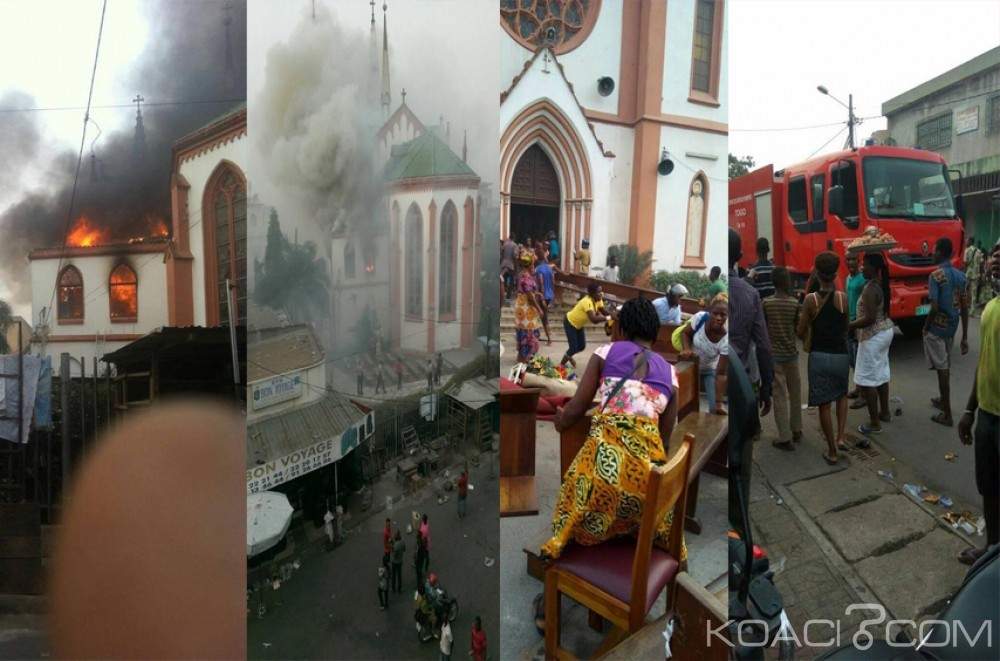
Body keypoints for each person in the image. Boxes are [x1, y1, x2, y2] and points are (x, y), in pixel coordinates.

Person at [544, 297, 682, 561]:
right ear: (654, 333)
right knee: (640, 503)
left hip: (602, 479)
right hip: (648, 488)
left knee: (571, 501)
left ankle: (560, 559)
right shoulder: (671, 375)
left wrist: (562, 422)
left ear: (623, 330)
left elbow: (577, 407)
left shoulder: (606, 353)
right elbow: (662, 441)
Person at [956, 238, 999, 565]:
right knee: (989, 488)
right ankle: (992, 549)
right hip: (986, 415)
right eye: (996, 253)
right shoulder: (992, 307)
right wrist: (970, 410)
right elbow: (985, 361)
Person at [798, 253, 850, 463]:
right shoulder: (843, 298)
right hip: (840, 355)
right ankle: (840, 438)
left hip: (819, 356)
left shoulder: (811, 300)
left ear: (817, 274)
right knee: (842, 394)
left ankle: (831, 451)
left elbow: (801, 331)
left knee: (824, 405)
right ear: (836, 274)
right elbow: (846, 328)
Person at [728, 229, 774, 423]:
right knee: (742, 450)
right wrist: (766, 387)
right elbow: (763, 346)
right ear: (739, 256)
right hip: (741, 384)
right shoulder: (750, 294)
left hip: (712, 386)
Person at [925, 238, 969, 427]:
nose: (932, 253)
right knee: (945, 365)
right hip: (951, 327)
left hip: (937, 328)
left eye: (934, 250)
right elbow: (965, 307)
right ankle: (943, 400)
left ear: (941, 253)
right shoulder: (960, 276)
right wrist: (965, 336)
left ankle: (947, 414)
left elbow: (934, 307)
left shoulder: (935, 275)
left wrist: (926, 326)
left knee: (942, 368)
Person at [850, 253, 895, 435]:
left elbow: (868, 318)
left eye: (864, 265)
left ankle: (874, 423)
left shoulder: (870, 288)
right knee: (881, 374)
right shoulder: (880, 283)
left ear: (872, 267)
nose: (861, 268)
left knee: (868, 380)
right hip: (884, 331)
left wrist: (849, 325)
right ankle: (884, 412)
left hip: (873, 335)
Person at [763, 267, 802, 448]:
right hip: (791, 354)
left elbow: (764, 329)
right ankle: (797, 429)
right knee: (795, 393)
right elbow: (798, 329)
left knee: (779, 395)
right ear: (787, 282)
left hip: (775, 356)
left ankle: (784, 436)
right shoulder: (794, 304)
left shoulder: (766, 303)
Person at [679, 293, 729, 415]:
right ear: (710, 311)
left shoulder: (726, 338)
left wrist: (718, 402)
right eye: (715, 313)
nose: (718, 318)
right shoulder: (700, 318)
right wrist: (687, 348)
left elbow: (721, 373)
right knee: (684, 406)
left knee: (713, 410)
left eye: (723, 315)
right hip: (690, 365)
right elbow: (685, 334)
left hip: (709, 369)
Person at [560, 282, 611, 368]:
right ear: (592, 294)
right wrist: (608, 318)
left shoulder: (598, 300)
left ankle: (569, 355)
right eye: (599, 292)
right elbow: (593, 318)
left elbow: (603, 311)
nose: (601, 294)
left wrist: (614, 315)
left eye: (601, 291)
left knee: (581, 346)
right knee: (573, 348)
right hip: (570, 322)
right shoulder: (587, 301)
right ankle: (561, 365)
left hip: (579, 325)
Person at [845, 253, 869, 408]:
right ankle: (858, 388)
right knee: (853, 359)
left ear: (859, 261)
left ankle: (864, 394)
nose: (851, 261)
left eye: (853, 259)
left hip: (858, 322)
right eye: (848, 259)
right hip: (849, 321)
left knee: (859, 359)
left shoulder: (863, 279)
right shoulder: (848, 278)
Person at [513, 252, 544, 363]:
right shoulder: (527, 276)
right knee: (529, 332)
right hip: (526, 306)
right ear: (531, 264)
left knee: (524, 331)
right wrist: (539, 309)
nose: (534, 266)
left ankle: (521, 357)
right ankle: (526, 358)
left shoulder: (521, 274)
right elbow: (530, 296)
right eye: (533, 264)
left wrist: (538, 294)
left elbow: (529, 291)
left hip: (521, 305)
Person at [535, 256, 556, 345]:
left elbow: (541, 282)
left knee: (543, 317)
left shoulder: (538, 269)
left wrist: (541, 296)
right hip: (549, 295)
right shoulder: (550, 269)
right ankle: (541, 333)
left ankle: (549, 339)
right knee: (542, 315)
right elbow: (553, 282)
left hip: (542, 295)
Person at [964, 237, 982, 317]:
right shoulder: (979, 251)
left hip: (967, 274)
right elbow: (981, 264)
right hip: (976, 275)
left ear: (970, 241)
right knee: (973, 294)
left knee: (963, 291)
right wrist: (980, 274)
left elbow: (965, 263)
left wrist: (963, 273)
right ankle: (972, 312)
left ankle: (961, 309)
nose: (966, 242)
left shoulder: (967, 251)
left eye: (967, 241)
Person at [500, 233, 518, 303]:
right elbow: (515, 257)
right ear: (514, 238)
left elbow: (502, 254)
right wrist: (516, 268)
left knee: (502, 281)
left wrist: (500, 263)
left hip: (503, 264)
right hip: (510, 265)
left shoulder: (504, 244)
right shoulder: (515, 245)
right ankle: (508, 297)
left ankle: (502, 295)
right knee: (511, 282)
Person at [391, 529, 405, 594]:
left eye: (395, 535)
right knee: (399, 575)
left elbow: (394, 555)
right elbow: (404, 549)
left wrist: (392, 548)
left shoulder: (396, 545)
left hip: (395, 562)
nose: (394, 536)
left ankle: (393, 588)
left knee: (394, 575)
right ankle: (400, 588)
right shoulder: (403, 540)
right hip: (400, 561)